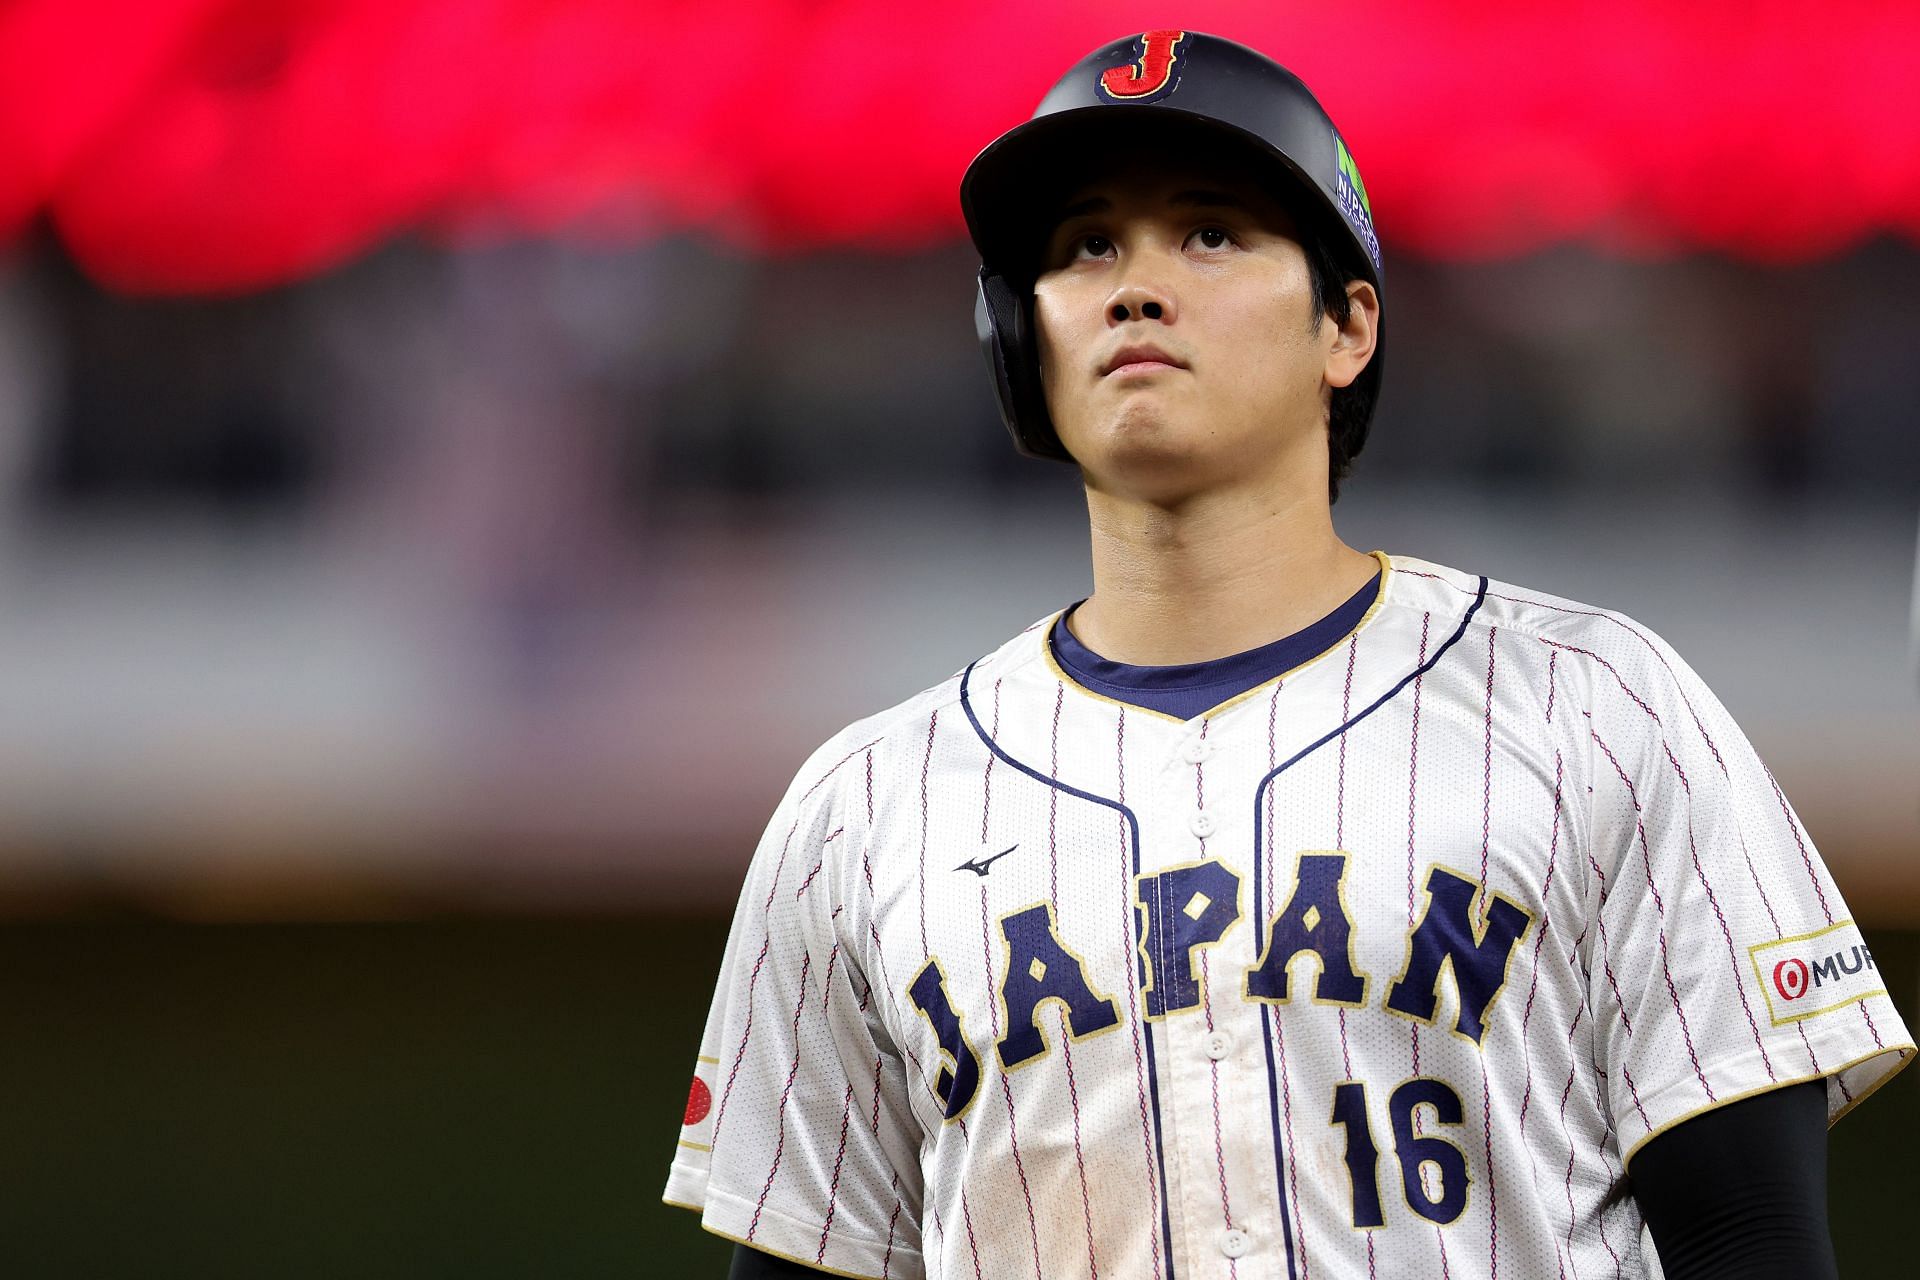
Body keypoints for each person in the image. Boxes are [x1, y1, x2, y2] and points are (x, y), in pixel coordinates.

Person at [665, 30, 1913, 1280]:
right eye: (1084, 245)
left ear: (1348, 325)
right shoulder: (862, 809)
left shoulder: (1595, 710)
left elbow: (1754, 1241)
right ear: (1018, 340)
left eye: (1211, 232)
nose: (1134, 287)